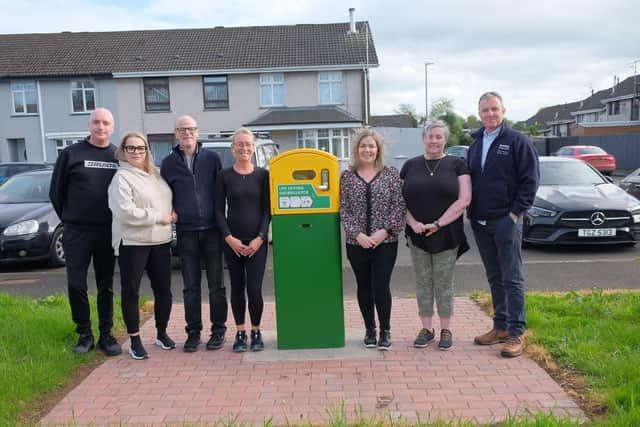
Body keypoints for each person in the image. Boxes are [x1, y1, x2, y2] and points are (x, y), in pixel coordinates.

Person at [468, 92, 539, 358]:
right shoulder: (475, 143)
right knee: (494, 276)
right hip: (480, 221)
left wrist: (514, 214)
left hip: (505, 220)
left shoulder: (517, 141)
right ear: (479, 113)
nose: (490, 114)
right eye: (485, 110)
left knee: (512, 277)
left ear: (504, 111)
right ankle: (499, 326)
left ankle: (515, 332)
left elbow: (530, 181)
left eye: (494, 109)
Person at [49, 107, 122, 356]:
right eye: (96, 122)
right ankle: (84, 334)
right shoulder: (71, 154)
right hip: (77, 231)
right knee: (76, 283)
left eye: (106, 123)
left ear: (112, 127)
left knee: (106, 285)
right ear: (89, 125)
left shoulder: (118, 156)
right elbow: (56, 193)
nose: (101, 127)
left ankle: (106, 334)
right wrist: (72, 219)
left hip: (107, 231)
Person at [400, 119, 471, 351]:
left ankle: (446, 329)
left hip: (447, 234)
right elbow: (399, 201)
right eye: (430, 136)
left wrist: (438, 224)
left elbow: (464, 200)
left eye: (439, 137)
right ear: (423, 139)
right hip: (417, 234)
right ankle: (426, 328)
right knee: (422, 282)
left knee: (444, 283)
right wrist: (414, 223)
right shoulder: (410, 166)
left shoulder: (457, 165)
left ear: (445, 140)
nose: (434, 141)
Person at [161, 115, 228, 352]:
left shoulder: (212, 159)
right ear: (176, 134)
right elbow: (164, 195)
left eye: (190, 129)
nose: (187, 133)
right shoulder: (168, 163)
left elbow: (220, 192)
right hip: (186, 231)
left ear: (197, 132)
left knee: (216, 285)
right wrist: (171, 212)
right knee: (190, 286)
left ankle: (218, 331)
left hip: (212, 231)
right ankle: (193, 333)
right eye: (182, 130)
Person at [108, 133, 177, 360]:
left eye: (141, 147)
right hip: (133, 242)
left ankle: (161, 333)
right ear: (123, 151)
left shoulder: (155, 174)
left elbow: (165, 199)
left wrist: (171, 213)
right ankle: (135, 339)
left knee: (164, 290)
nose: (136, 152)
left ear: (147, 150)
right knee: (131, 291)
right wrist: (158, 216)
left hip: (160, 240)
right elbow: (125, 212)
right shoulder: (121, 177)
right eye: (131, 148)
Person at [339, 129, 405, 351]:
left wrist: (384, 231)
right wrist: (358, 234)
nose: (367, 150)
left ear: (378, 149)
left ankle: (385, 330)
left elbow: (399, 206)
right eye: (363, 146)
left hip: (385, 243)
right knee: (364, 287)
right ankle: (370, 329)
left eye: (371, 146)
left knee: (381, 285)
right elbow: (343, 209)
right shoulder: (347, 177)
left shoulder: (390, 174)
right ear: (357, 150)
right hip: (356, 243)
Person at [215, 128, 270, 352]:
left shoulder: (263, 175)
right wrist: (229, 238)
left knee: (255, 289)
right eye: (240, 144)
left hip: (257, 242)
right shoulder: (224, 176)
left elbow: (268, 210)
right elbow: (218, 210)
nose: (244, 148)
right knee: (236, 287)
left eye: (248, 144)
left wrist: (260, 238)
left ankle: (256, 330)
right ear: (233, 148)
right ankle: (240, 332)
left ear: (253, 147)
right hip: (233, 243)